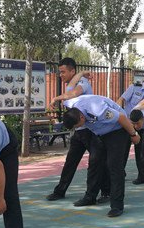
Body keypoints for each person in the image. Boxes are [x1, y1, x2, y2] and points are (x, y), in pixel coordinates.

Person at [62, 95, 140, 217]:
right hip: (99, 133)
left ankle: (117, 205)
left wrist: (133, 134)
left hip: (117, 131)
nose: (78, 128)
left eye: (78, 125)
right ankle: (90, 197)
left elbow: (121, 117)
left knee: (114, 167)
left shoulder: (98, 110)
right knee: (94, 163)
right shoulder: (72, 105)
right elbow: (66, 99)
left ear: (82, 117)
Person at [46, 58, 110, 206]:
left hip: (90, 131)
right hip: (79, 132)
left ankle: (99, 194)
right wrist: (81, 72)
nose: (60, 75)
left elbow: (73, 94)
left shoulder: (83, 84)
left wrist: (56, 98)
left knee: (95, 163)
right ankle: (60, 191)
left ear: (72, 71)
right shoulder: (71, 84)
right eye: (59, 72)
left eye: (63, 72)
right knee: (70, 162)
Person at [117, 69, 144, 185]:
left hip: (141, 126)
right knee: (122, 151)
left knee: (142, 152)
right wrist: (120, 114)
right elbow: (121, 100)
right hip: (126, 124)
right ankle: (119, 174)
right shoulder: (133, 87)